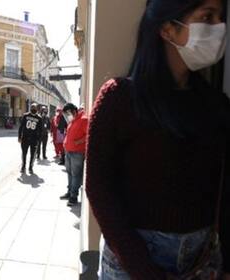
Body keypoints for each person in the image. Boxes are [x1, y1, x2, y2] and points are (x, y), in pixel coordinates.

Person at [85, 0, 230, 279]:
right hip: (133, 261)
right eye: (207, 16)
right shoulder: (119, 98)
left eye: (221, 18)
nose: (219, 28)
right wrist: (143, 269)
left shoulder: (217, 106)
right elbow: (99, 188)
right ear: (167, 28)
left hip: (204, 260)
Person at [59, 103, 88, 206]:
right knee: (70, 173)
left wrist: (79, 141)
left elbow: (89, 134)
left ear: (74, 111)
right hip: (68, 151)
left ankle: (73, 197)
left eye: (68, 114)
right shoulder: (73, 120)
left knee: (76, 174)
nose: (67, 116)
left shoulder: (84, 119)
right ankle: (69, 192)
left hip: (77, 152)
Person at [18, 103, 43, 174]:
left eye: (34, 108)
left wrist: (39, 140)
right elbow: (21, 127)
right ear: (30, 108)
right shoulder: (25, 115)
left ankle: (30, 167)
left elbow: (41, 130)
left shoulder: (39, 118)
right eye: (32, 108)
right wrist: (19, 137)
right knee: (24, 153)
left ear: (37, 109)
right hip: (25, 138)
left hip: (34, 139)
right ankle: (23, 166)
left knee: (33, 154)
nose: (33, 109)